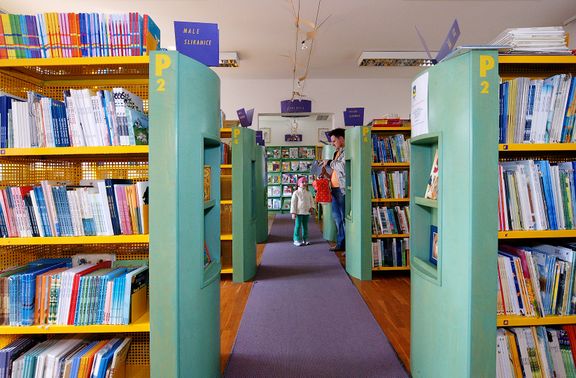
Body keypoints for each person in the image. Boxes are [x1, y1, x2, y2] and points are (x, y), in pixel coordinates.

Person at [322, 128, 346, 252]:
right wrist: (325, 172)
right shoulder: (337, 152)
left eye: (334, 140)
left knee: (344, 218)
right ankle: (340, 243)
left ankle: (348, 246)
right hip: (334, 189)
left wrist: (330, 162)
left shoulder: (347, 151)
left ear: (341, 138)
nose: (332, 143)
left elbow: (343, 166)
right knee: (337, 218)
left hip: (342, 190)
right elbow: (333, 172)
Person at [290, 176, 315, 246]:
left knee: (305, 226)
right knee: (297, 226)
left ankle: (305, 238)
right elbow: (293, 203)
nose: (304, 183)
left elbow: (311, 201)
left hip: (306, 212)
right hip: (298, 212)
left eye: (305, 182)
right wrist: (293, 212)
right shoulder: (296, 193)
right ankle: (296, 239)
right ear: (298, 184)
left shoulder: (308, 192)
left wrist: (312, 208)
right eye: (302, 182)